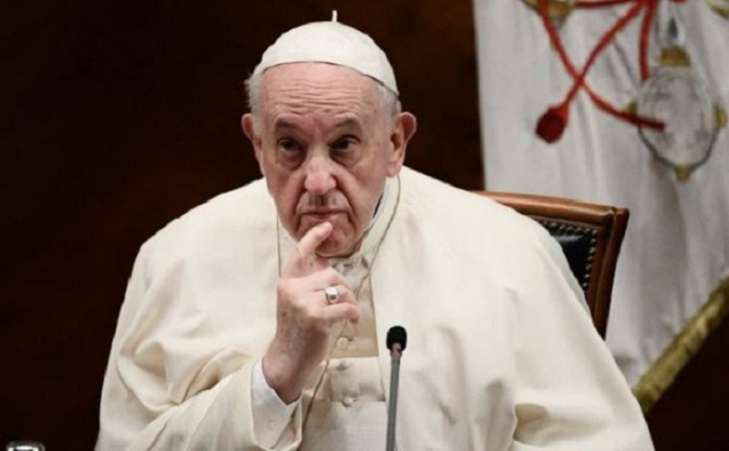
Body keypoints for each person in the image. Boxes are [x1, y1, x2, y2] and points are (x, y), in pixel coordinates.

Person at [96, 16, 654, 451]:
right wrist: (273, 378)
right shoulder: (176, 259)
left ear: (394, 144)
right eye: (290, 146)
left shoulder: (512, 254)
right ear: (256, 143)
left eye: (344, 144)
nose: (318, 181)